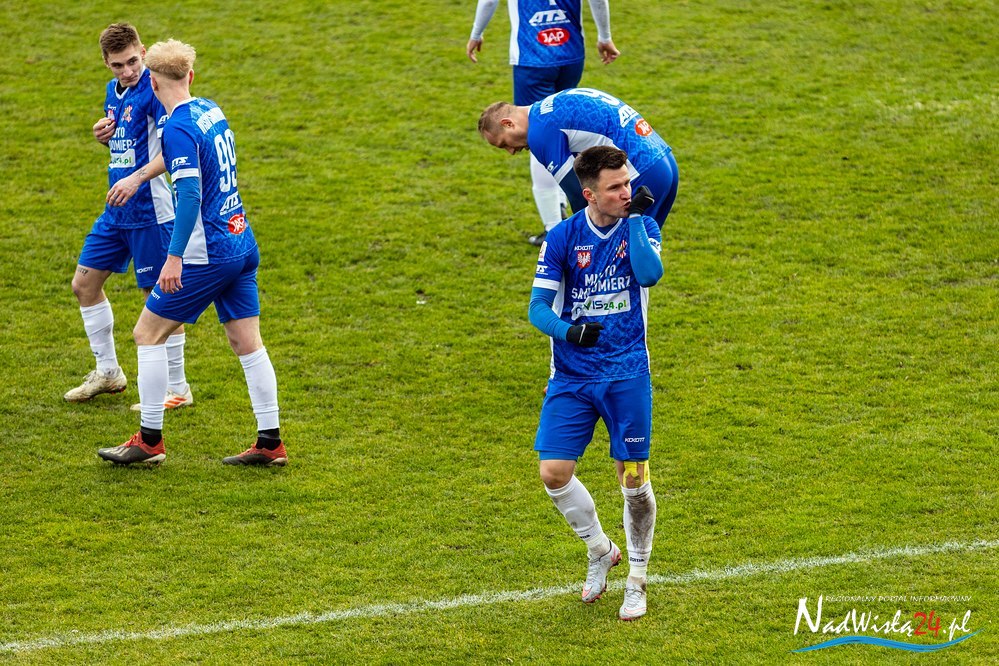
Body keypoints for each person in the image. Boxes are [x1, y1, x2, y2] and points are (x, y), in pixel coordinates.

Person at [97, 39, 286, 467]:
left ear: (153, 83)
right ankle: (270, 442)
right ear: (190, 76)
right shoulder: (209, 110)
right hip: (241, 240)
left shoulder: (177, 129)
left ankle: (149, 441)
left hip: (208, 252)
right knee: (247, 342)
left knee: (147, 334)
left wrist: (174, 256)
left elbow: (190, 195)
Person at [528, 145, 661, 620]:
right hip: (572, 374)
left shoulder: (642, 225)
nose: (627, 192)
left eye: (627, 183)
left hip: (627, 371)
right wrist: (570, 332)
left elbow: (649, 274)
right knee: (553, 472)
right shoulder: (562, 238)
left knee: (633, 479)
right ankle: (601, 550)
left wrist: (635, 221)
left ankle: (637, 579)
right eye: (615, 187)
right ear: (589, 194)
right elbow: (537, 308)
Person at [66, 23, 193, 411]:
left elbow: (172, 149)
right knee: (83, 285)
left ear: (143, 51)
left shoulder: (156, 91)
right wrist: (103, 134)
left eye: (133, 61)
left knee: (159, 299)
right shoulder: (113, 90)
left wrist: (136, 178)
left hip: (151, 212)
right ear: (106, 63)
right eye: (118, 65)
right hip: (116, 210)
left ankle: (178, 388)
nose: (128, 71)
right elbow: (129, 139)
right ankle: (108, 372)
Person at [466, 1, 619, 246]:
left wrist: (476, 33)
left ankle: (554, 226)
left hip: (533, 57)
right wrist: (604, 36)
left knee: (536, 135)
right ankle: (571, 205)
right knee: (563, 131)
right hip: (570, 53)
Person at [478, 87, 678, 228]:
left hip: (641, 172)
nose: (511, 151)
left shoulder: (539, 133)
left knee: (622, 258)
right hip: (664, 161)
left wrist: (582, 236)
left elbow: (577, 194)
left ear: (508, 124)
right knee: (642, 254)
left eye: (504, 144)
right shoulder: (552, 103)